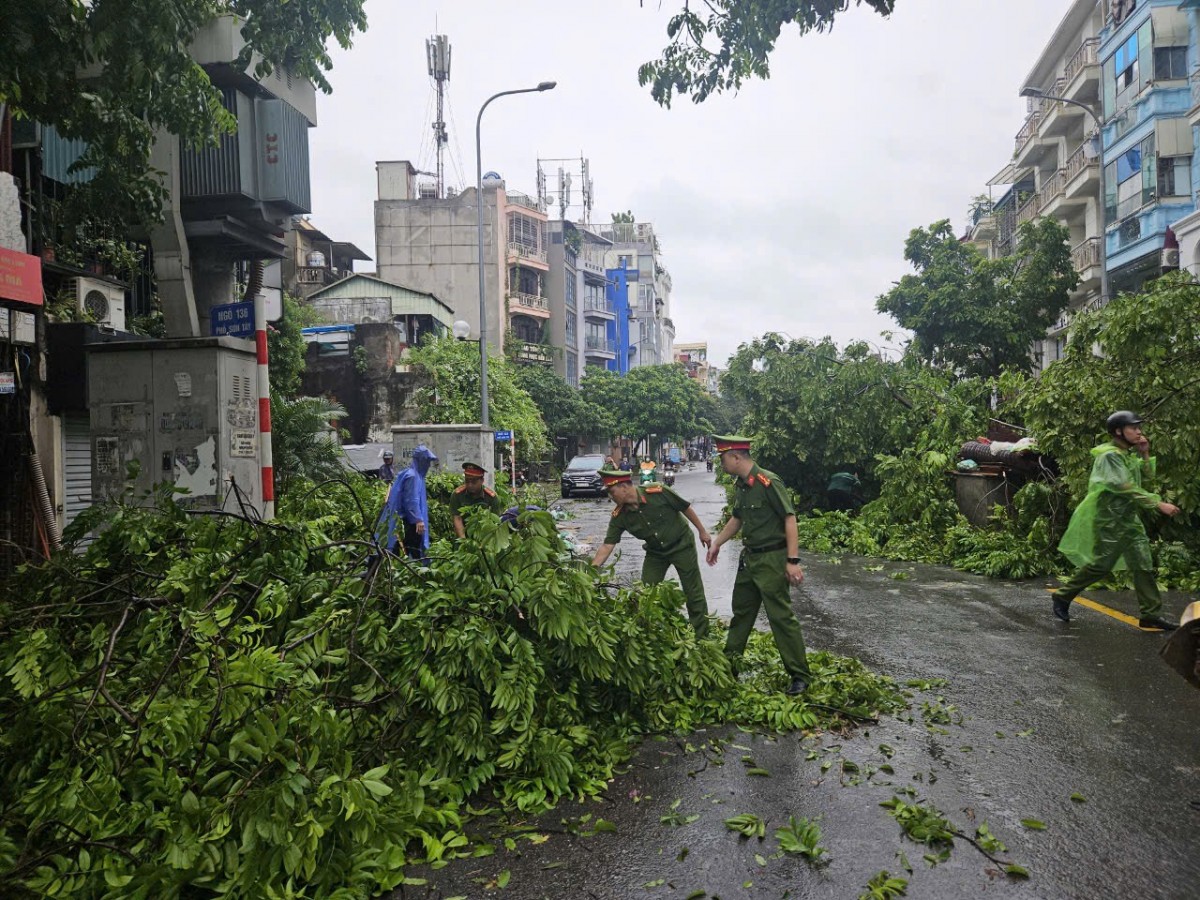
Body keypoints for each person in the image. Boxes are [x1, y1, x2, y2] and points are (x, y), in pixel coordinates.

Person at [1051, 411, 1179, 631]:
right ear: (1119, 431)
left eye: (1139, 427)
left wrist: (1145, 453)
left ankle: (1150, 614)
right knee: (1101, 566)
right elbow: (1124, 487)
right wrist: (1158, 504)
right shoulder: (1109, 456)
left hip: (1129, 520)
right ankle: (1063, 596)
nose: (1139, 432)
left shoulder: (1127, 455)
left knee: (1143, 564)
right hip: (1109, 520)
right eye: (1133, 428)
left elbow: (1148, 477)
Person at [706, 435, 811, 695]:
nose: (722, 464)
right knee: (741, 614)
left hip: (772, 560)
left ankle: (800, 675)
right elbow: (737, 519)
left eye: (723, 459)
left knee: (780, 617)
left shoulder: (768, 481)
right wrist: (717, 542)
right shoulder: (742, 486)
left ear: (736, 456)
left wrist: (792, 561)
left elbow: (789, 518)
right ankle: (729, 667)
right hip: (749, 559)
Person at [591, 468, 712, 637]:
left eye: (612, 492)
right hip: (656, 553)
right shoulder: (619, 516)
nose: (611, 497)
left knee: (693, 592)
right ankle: (650, 634)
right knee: (646, 593)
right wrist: (591, 570)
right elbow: (607, 545)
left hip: (682, 545)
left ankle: (702, 637)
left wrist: (702, 531)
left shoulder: (657, 492)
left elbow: (685, 508)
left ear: (624, 487)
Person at [376, 444, 438, 560]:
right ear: (421, 460)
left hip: (404, 520)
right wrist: (418, 519)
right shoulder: (413, 476)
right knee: (412, 550)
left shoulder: (411, 474)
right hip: (408, 521)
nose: (428, 465)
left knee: (403, 549)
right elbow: (411, 501)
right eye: (427, 461)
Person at [451, 462, 501, 538]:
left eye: (474, 482)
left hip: (484, 537)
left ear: (482, 481)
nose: (470, 485)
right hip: (463, 536)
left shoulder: (492, 498)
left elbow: (495, 522)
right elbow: (457, 518)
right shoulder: (457, 495)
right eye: (467, 481)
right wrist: (463, 540)